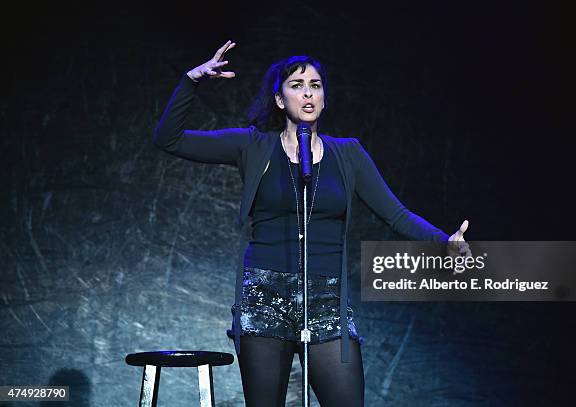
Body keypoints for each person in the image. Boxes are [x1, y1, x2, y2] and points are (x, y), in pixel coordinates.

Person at [153, 40, 470, 407]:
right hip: (265, 295)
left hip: (326, 298)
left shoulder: (348, 153)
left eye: (315, 86)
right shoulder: (252, 146)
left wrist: (443, 242)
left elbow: (396, 214)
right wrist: (191, 80)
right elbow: (169, 140)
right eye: (297, 85)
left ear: (323, 98)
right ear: (278, 99)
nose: (308, 93)